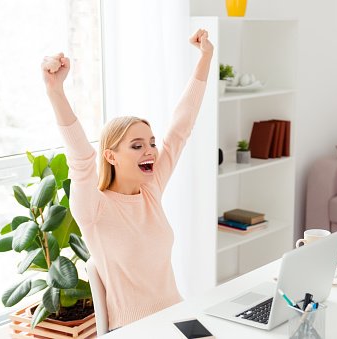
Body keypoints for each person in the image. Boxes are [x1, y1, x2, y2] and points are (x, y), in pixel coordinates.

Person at [41, 29, 213, 331]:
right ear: (111, 157)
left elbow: (180, 129)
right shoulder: (94, 209)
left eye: (151, 142)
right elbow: (81, 159)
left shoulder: (150, 190)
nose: (150, 151)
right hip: (136, 328)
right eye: (137, 146)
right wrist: (55, 92)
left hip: (178, 315)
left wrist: (206, 57)